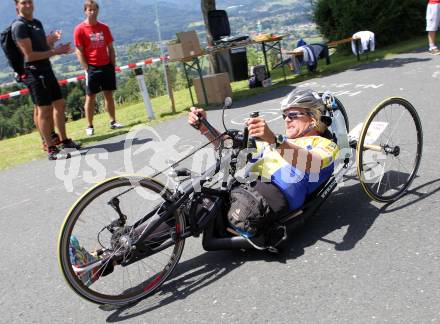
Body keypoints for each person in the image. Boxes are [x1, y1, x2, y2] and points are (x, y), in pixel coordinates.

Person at [188, 88, 340, 240]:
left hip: (265, 198)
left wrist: (273, 140)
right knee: (187, 208)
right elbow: (229, 146)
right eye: (284, 116)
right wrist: (204, 127)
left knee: (199, 209)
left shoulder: (324, 144)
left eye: (292, 115)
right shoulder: (280, 141)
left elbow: (312, 163)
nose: (286, 120)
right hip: (242, 190)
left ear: (313, 118)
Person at [12, 0, 81, 160]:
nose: (28, 5)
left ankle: (64, 141)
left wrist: (51, 42)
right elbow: (29, 55)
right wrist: (56, 51)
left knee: (60, 104)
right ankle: (51, 148)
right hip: (34, 72)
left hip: (46, 69)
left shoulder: (36, 23)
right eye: (23, 2)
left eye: (29, 1)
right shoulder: (19, 26)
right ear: (17, 6)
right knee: (44, 110)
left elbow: (41, 48)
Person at [74, 0, 123, 137]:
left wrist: (112, 65)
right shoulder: (80, 29)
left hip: (106, 65)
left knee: (109, 95)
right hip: (92, 68)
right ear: (85, 11)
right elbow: (79, 51)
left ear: (98, 10)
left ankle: (113, 121)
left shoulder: (104, 27)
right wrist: (87, 68)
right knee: (90, 97)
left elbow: (111, 48)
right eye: (89, 10)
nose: (92, 12)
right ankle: (89, 126)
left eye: (95, 9)